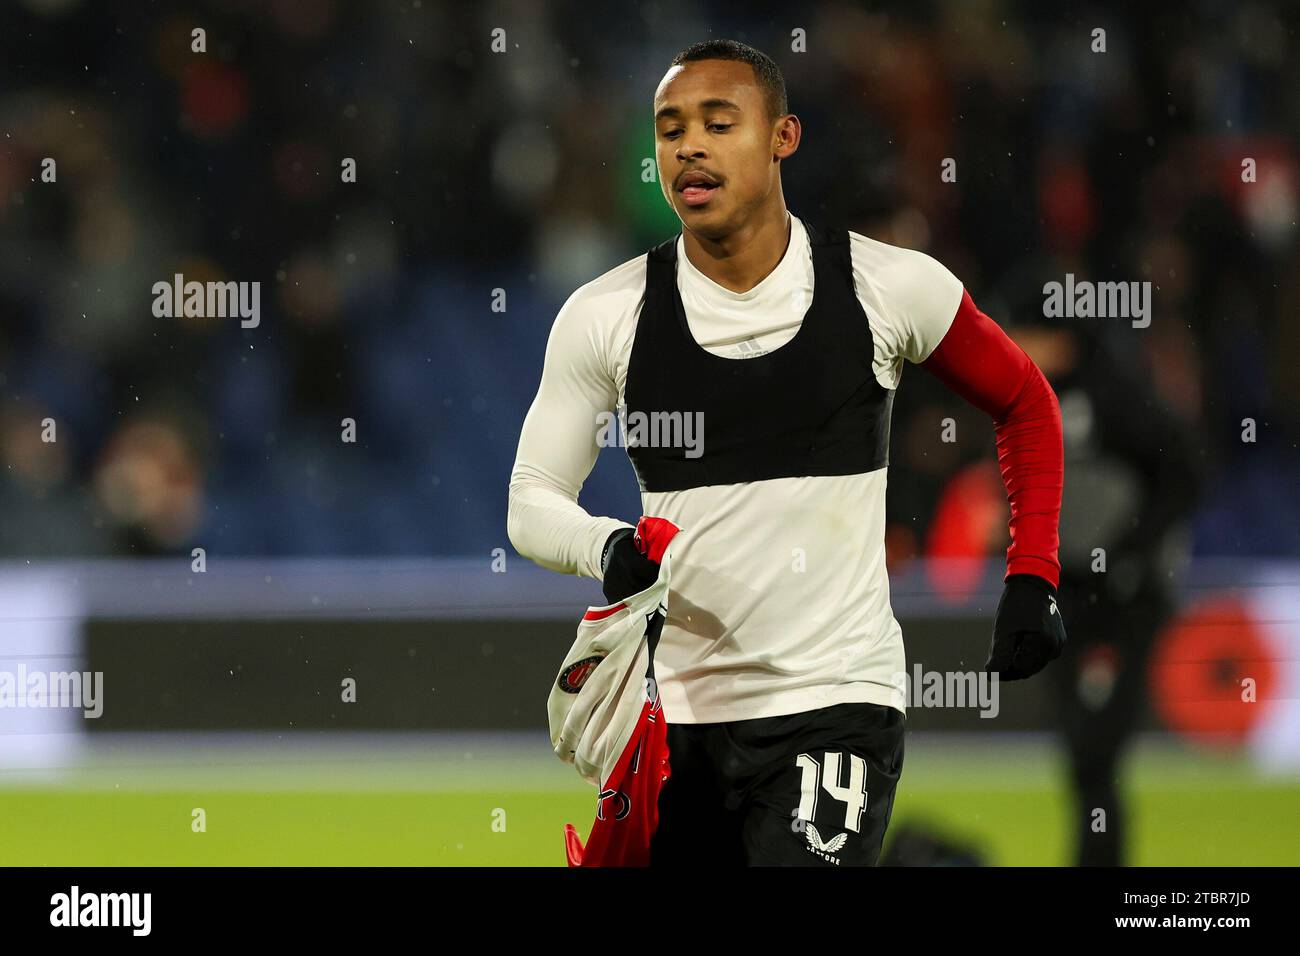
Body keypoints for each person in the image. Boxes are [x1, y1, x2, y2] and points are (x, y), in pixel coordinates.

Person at [508, 39, 1066, 866]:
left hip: (834, 702)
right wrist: (609, 547)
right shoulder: (605, 315)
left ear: (783, 137)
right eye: (669, 129)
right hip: (673, 721)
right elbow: (530, 498)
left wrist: (1032, 576)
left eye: (717, 122)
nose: (687, 146)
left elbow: (1024, 398)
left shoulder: (887, 285)